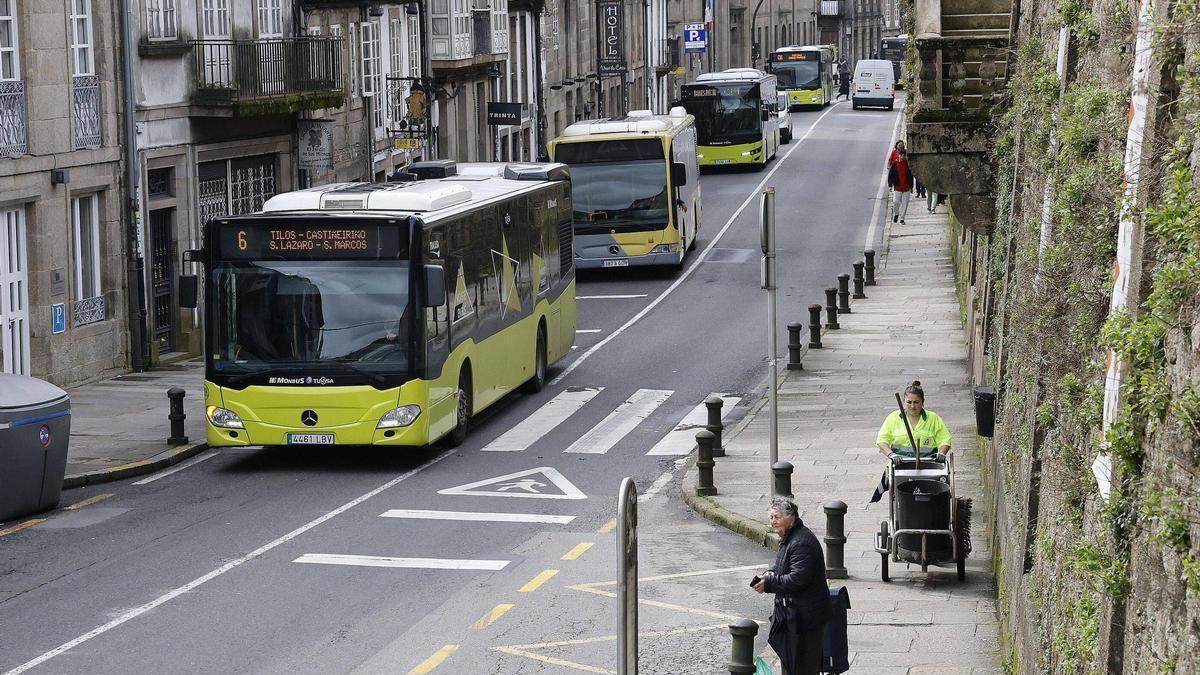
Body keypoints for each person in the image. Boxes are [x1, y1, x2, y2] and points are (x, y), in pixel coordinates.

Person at [754, 497, 832, 675]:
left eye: (777, 517)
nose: (773, 522)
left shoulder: (801, 542)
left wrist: (769, 584)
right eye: (771, 517)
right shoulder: (790, 537)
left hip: (806, 621)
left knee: (802, 668)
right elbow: (784, 565)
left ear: (791, 518)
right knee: (792, 667)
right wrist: (771, 573)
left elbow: (797, 579)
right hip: (797, 617)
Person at [876, 380, 952, 463]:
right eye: (909, 402)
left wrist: (942, 452)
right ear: (903, 401)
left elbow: (945, 439)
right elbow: (882, 440)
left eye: (916, 402)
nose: (912, 406)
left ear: (922, 402)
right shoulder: (893, 418)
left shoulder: (933, 418)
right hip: (900, 465)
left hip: (928, 465)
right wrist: (891, 454)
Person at [886, 140, 914, 224]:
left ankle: (902, 218)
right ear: (898, 155)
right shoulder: (895, 164)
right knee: (896, 202)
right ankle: (896, 214)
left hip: (906, 187)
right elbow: (891, 175)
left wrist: (911, 186)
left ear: (905, 156)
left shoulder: (908, 165)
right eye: (901, 155)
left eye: (903, 155)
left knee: (905, 204)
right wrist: (890, 185)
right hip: (897, 187)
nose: (902, 157)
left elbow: (911, 176)